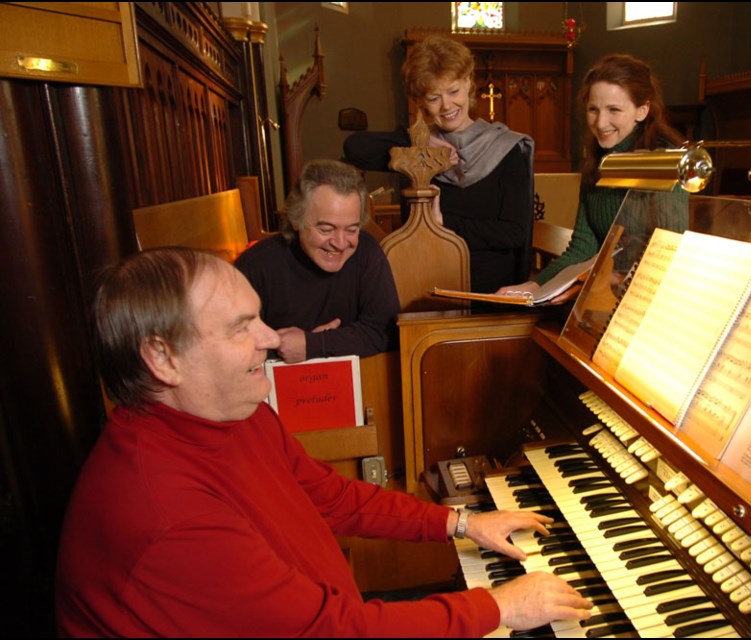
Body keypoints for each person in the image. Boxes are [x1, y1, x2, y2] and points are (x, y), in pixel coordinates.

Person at [55, 246, 593, 637]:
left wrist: (461, 523)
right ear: (163, 358)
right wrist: (496, 608)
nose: (270, 338)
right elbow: (332, 632)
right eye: (243, 327)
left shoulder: (231, 412)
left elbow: (329, 496)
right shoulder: (164, 516)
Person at [343, 35, 534, 294]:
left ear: (468, 83)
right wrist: (422, 144)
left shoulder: (507, 148)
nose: (446, 106)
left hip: (490, 289)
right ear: (421, 101)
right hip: (427, 284)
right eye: (434, 97)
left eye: (453, 91)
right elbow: (355, 148)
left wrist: (444, 223)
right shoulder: (415, 151)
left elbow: (515, 233)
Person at [496, 54, 687, 302]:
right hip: (607, 294)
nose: (600, 122)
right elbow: (582, 247)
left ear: (642, 110)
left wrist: (591, 281)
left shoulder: (664, 165)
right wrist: (535, 285)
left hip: (652, 299)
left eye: (614, 110)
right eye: (593, 110)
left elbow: (667, 256)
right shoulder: (598, 163)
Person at [235, 159, 400, 363]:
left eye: (351, 229)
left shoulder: (367, 251)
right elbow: (232, 348)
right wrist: (284, 349)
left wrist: (313, 344)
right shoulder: (255, 266)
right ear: (297, 220)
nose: (340, 243)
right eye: (326, 229)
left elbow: (386, 332)